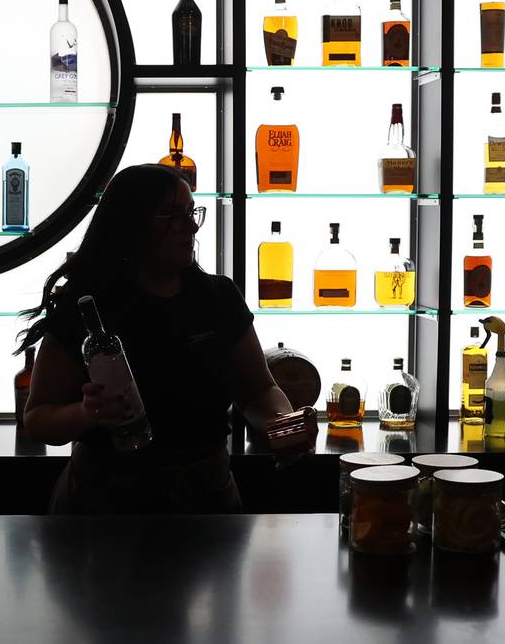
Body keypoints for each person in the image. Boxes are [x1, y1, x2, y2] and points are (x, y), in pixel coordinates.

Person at [19, 163, 315, 514]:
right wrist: (88, 413)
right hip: (106, 502)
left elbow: (258, 390)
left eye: (191, 213)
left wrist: (283, 424)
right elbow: (38, 420)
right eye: (171, 215)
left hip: (206, 491)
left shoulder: (217, 297)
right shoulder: (88, 307)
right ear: (130, 224)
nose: (190, 226)